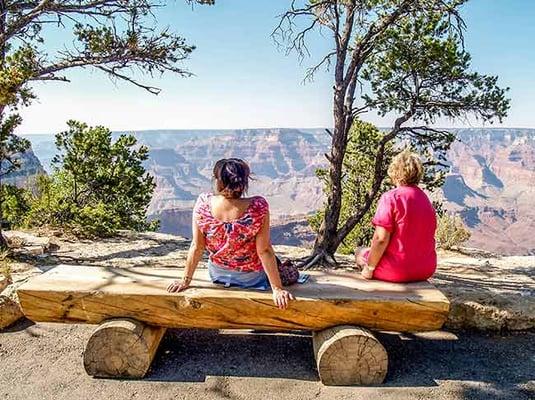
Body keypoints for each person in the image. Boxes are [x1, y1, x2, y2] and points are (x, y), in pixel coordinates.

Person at [167, 158, 295, 309]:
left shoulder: (203, 204)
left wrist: (185, 280)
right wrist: (277, 288)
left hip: (217, 274)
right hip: (251, 278)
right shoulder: (258, 207)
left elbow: (197, 246)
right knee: (290, 271)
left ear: (217, 181)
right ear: (244, 182)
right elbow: (264, 250)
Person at [355, 150, 437, 283]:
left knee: (360, 252)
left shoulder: (391, 198)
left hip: (397, 270)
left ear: (395, 172)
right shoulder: (425, 199)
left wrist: (369, 268)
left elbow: (380, 239)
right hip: (425, 270)